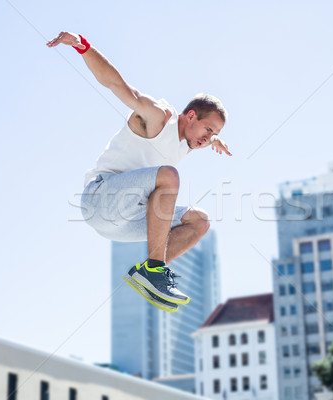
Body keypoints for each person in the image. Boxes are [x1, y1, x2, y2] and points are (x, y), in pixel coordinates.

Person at [47, 32, 231, 312]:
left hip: (123, 223)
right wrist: (83, 47)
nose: (207, 139)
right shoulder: (158, 117)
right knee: (169, 175)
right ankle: (153, 270)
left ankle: (150, 271)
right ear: (191, 115)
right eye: (208, 129)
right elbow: (118, 86)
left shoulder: (188, 144)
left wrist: (214, 140)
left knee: (200, 221)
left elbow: (198, 140)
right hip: (100, 198)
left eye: (213, 135)